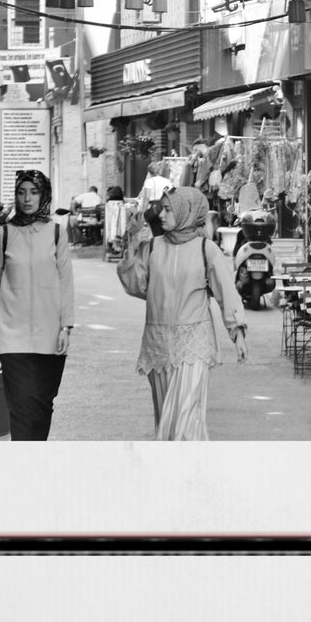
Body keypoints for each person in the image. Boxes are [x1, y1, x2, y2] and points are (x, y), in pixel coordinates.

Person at [118, 185, 248, 440]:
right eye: (162, 210)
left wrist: (238, 331)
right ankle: (178, 475)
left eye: (168, 210)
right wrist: (132, 247)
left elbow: (226, 292)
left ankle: (187, 473)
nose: (162, 215)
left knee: (185, 422)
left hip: (194, 345)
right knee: (166, 422)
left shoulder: (206, 249)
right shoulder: (152, 247)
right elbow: (136, 286)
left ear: (186, 212)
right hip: (158, 345)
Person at [0, 170, 75, 441]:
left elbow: (66, 281)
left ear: (43, 195)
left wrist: (67, 326)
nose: (27, 198)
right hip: (13, 332)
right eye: (21, 192)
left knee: (42, 404)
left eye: (33, 192)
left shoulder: (57, 232)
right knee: (20, 406)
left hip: (50, 331)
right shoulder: (4, 234)